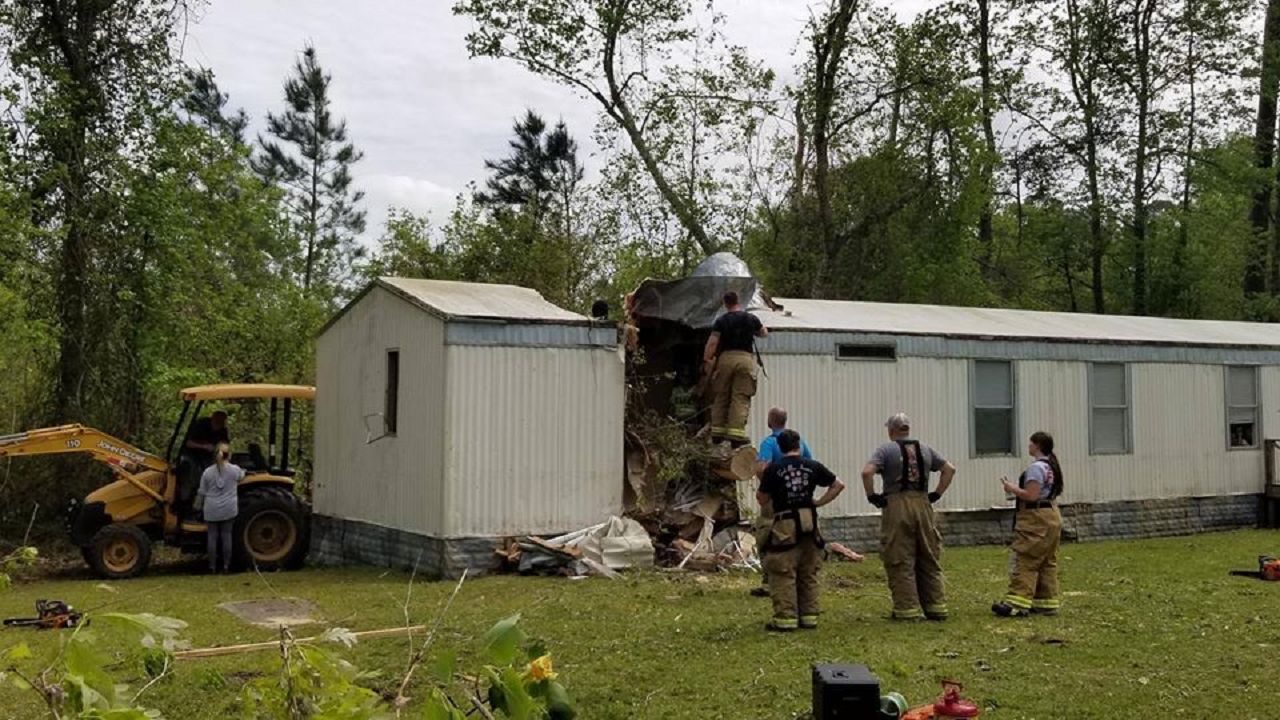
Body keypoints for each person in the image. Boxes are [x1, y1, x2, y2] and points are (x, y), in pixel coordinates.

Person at [861, 413, 956, 621]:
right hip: (923, 504)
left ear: (892, 430)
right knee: (928, 555)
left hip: (897, 504)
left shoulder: (886, 449)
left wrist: (872, 496)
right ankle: (936, 606)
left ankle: (907, 609)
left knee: (899, 556)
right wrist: (937, 493)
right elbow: (949, 469)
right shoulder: (925, 449)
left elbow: (867, 472)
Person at [758, 429, 845, 631]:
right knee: (809, 568)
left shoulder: (774, 469)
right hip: (809, 522)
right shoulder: (813, 466)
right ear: (799, 445)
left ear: (780, 447)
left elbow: (762, 498)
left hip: (785, 523)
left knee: (783, 568)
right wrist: (819, 502)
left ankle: (786, 619)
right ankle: (809, 616)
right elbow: (838, 485)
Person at [992, 431, 1064, 617]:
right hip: (1052, 516)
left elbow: (1031, 495)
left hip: (1035, 518)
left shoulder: (1036, 469)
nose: (1028, 446)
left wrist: (1012, 488)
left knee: (1026, 558)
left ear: (1038, 445)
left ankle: (1016, 602)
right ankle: (1046, 602)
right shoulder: (1052, 466)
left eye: (1031, 443)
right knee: (1047, 560)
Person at [750, 408, 813, 598]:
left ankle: (769, 581)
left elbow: (762, 468)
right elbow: (808, 463)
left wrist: (768, 485)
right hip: (798, 500)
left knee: (768, 535)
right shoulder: (799, 443)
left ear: (770, 421)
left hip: (775, 501)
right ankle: (796, 578)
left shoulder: (770, 442)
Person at [702, 291, 768, 445]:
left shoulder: (721, 321)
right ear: (738, 301)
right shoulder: (751, 318)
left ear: (725, 304)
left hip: (726, 359)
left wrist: (707, 359)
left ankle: (717, 433)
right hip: (745, 359)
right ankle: (736, 434)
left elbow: (712, 343)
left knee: (721, 394)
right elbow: (763, 333)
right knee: (740, 396)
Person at [197, 442, 244, 573]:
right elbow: (242, 476)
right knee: (226, 536)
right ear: (229, 455)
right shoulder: (234, 470)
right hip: (229, 509)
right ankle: (226, 566)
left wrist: (197, 507)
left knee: (212, 537)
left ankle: (212, 566)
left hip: (211, 509)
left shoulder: (207, 472)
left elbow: (202, 491)